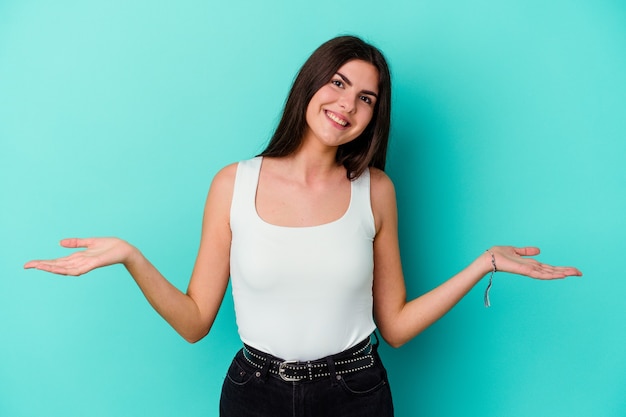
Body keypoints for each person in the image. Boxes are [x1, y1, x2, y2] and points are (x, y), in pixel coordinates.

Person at [24, 36, 582, 416]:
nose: (347, 104)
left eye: (366, 97)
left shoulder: (376, 191)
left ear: (373, 116)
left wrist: (483, 263)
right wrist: (130, 256)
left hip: (355, 392)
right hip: (253, 393)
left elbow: (396, 325)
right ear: (311, 84)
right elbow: (196, 321)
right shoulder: (233, 184)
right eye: (337, 83)